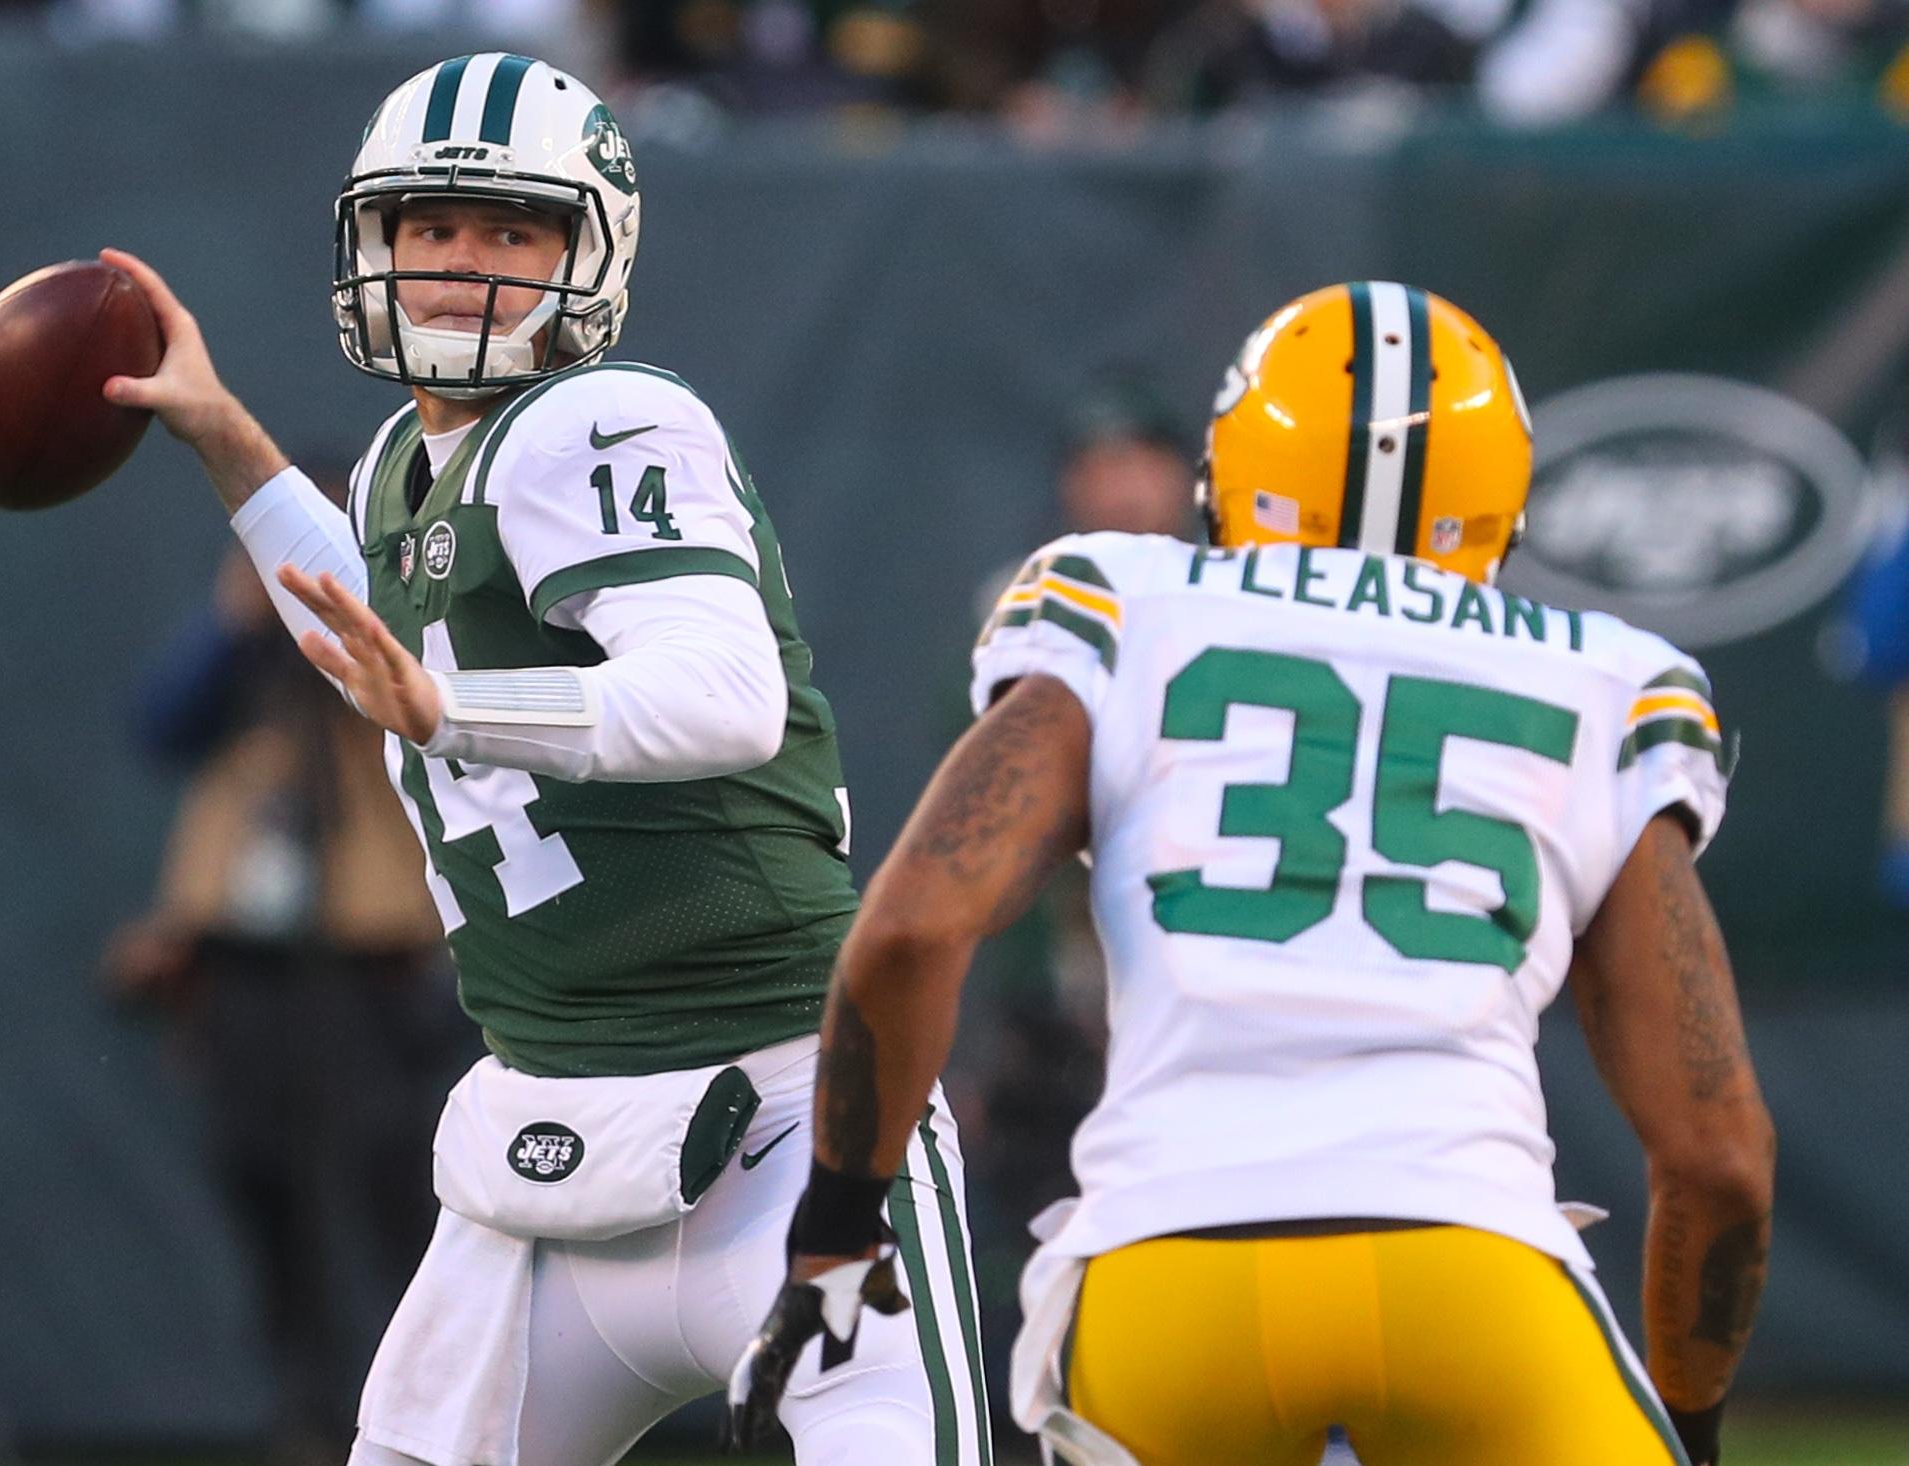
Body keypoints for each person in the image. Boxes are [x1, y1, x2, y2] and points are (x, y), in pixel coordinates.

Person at [99, 52, 991, 1466]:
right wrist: (226, 444)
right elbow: (363, 619)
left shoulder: (601, 418)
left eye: (510, 230)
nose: (460, 262)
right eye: (428, 225)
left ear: (590, 254)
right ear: (370, 241)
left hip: (785, 1123)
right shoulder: (401, 454)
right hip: (547, 1134)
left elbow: (719, 695)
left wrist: (452, 713)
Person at [730, 282, 1775, 1466]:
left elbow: (912, 929)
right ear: (1503, 501)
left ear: (1231, 469)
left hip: (1168, 1271)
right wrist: (1683, 1427)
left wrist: (830, 1233)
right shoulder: (1604, 678)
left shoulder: (1126, 599)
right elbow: (1715, 1153)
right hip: (1470, 1268)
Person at [106, 537, 455, 1464]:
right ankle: (306, 1415)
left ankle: (435, 1414)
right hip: (242, 968)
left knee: (397, 1198)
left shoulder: (402, 651)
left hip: (369, 966)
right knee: (265, 1192)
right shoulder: (243, 657)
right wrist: (235, 614)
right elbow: (159, 724)